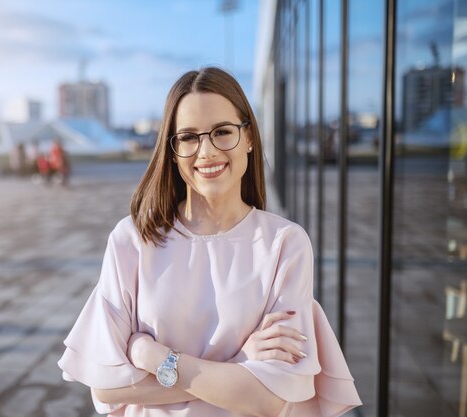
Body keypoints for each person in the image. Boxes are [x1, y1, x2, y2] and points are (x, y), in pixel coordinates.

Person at [57, 67, 362, 417]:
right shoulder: (132, 240)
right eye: (188, 137)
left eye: (222, 132)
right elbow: (107, 387)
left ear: (248, 137)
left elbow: (271, 399)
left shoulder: (284, 244)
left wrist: (152, 356)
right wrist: (241, 364)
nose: (206, 151)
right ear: (172, 150)